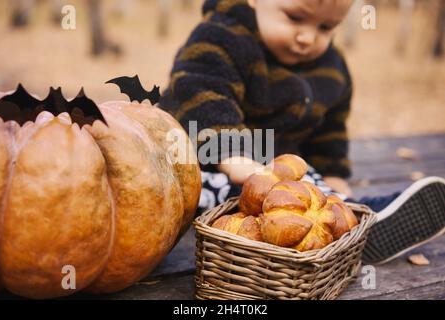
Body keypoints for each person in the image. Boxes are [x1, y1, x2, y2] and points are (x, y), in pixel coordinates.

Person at [161, 0, 445, 264]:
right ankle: (358, 220)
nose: (308, 38)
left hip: (275, 178)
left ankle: (350, 222)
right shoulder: (221, 38)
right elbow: (201, 93)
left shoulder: (332, 67)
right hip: (199, 169)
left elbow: (330, 126)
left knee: (304, 186)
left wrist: (333, 171)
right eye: (294, 17)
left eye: (325, 27)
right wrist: (233, 155)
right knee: (254, 191)